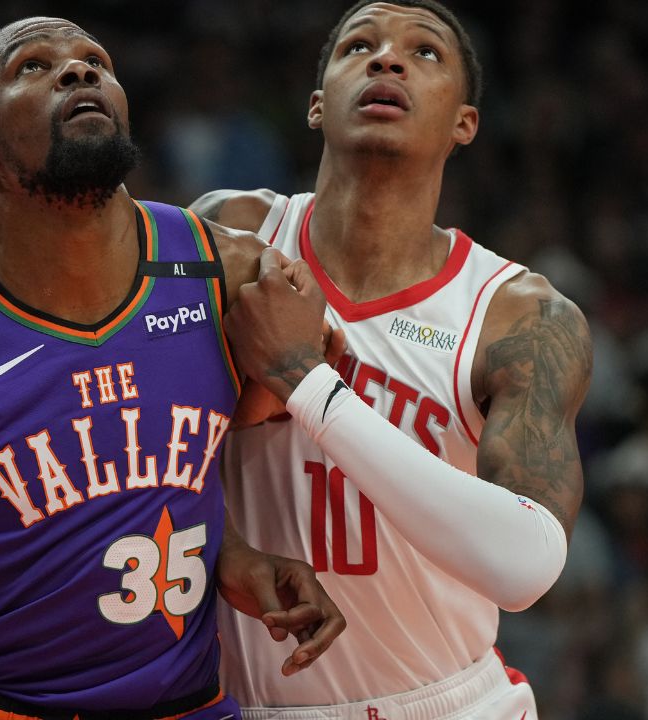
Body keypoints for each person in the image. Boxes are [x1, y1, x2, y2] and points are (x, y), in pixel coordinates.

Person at [0, 17, 345, 720]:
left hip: (185, 705)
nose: (79, 72)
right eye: (34, 67)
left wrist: (235, 556)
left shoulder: (227, 273)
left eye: (94, 62)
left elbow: (177, 470)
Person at [190, 1, 593, 718]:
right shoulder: (232, 233)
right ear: (317, 106)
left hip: (444, 702)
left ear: (463, 122)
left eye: (425, 52)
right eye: (359, 46)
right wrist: (226, 550)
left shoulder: (519, 314)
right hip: (242, 703)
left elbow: (525, 567)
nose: (386, 59)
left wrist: (305, 385)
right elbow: (151, 444)